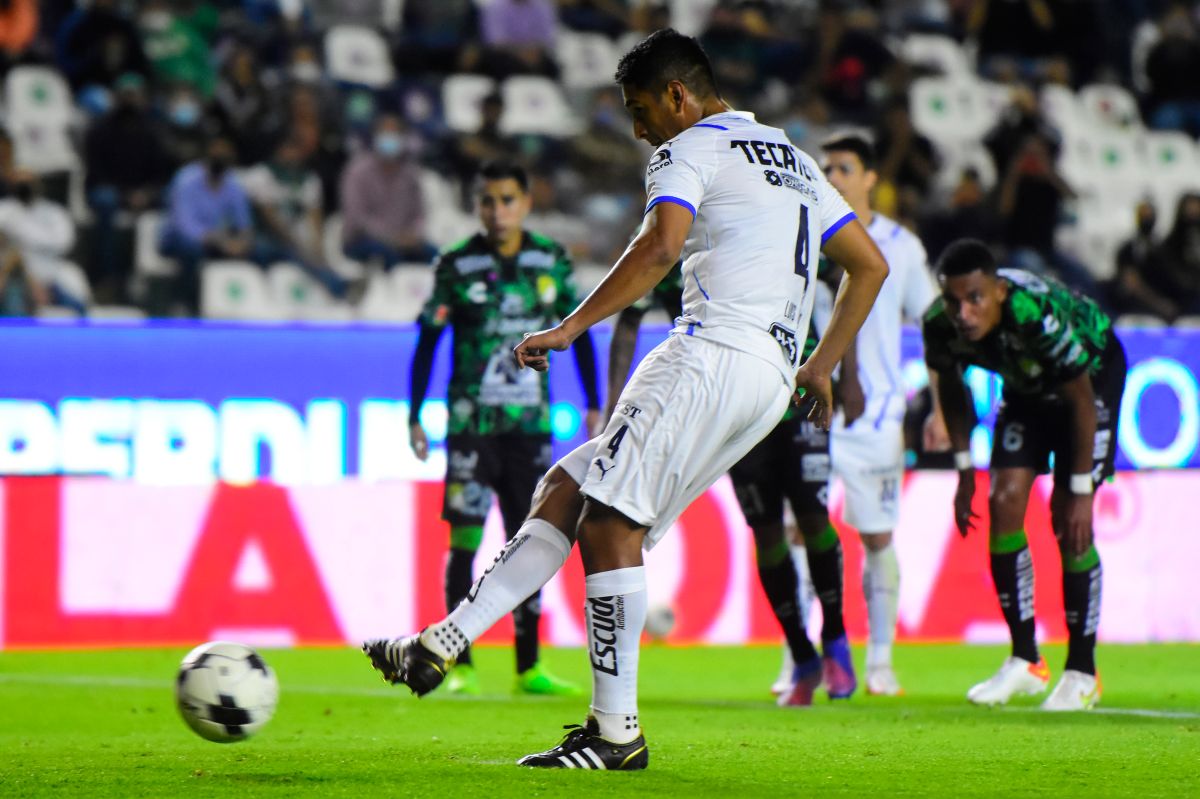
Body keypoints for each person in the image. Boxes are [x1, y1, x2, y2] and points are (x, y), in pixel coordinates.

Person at [364, 29, 888, 769]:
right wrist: (820, 364)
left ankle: (616, 730)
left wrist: (572, 324)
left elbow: (660, 247)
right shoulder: (793, 158)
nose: (639, 131)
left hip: (711, 353)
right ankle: (442, 641)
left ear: (678, 96)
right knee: (568, 487)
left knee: (611, 524)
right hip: (768, 377)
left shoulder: (690, 149)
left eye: (641, 111)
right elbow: (867, 264)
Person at [607, 262, 855, 706]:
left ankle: (835, 637)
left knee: (814, 518)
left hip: (797, 393)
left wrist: (842, 369)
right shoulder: (671, 247)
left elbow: (843, 274)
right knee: (767, 532)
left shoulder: (758, 221)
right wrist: (613, 404)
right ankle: (803, 655)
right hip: (734, 407)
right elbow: (628, 318)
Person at [407, 160, 602, 697]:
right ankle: (458, 662)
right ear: (477, 206)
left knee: (530, 540)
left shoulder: (550, 260)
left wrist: (593, 403)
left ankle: (527, 666)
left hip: (529, 428)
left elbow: (580, 331)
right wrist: (414, 414)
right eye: (488, 201)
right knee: (465, 539)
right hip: (473, 425)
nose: (498, 211)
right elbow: (428, 340)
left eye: (507, 200)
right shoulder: (457, 263)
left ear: (526, 202)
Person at [922, 239, 1125, 711]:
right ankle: (1026, 660)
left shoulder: (1033, 313)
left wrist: (1078, 492)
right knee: (1003, 502)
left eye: (974, 299)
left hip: (1090, 382)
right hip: (1027, 390)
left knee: (1067, 521)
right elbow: (952, 391)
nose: (963, 313)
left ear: (997, 292)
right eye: (953, 301)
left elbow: (1079, 400)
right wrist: (964, 470)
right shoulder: (939, 325)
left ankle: (1082, 671)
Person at [819, 132, 937, 697]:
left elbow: (934, 326)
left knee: (877, 537)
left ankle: (882, 660)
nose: (833, 176)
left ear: (870, 177)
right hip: (811, 411)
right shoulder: (805, 242)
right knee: (800, 533)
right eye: (826, 168)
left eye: (844, 166)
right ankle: (810, 656)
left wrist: (938, 404)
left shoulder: (902, 247)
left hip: (877, 415)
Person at [83, 72, 170, 302]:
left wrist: (146, 193)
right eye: (126, 95)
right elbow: (95, 172)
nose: (130, 101)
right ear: (117, 97)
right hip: (108, 191)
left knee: (169, 201)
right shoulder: (100, 130)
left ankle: (144, 282)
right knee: (106, 201)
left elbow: (161, 172)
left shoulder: (153, 132)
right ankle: (106, 276)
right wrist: (125, 194)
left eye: (135, 95)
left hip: (142, 194)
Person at [242, 138, 353, 301]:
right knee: (297, 253)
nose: (293, 155)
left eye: (297, 151)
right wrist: (297, 243)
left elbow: (314, 215)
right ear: (279, 151)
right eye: (289, 149)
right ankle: (341, 287)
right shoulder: (262, 174)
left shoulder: (308, 179)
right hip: (262, 238)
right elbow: (270, 218)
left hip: (291, 241)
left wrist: (316, 244)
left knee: (308, 254)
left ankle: (341, 288)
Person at [159, 136, 254, 314]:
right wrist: (220, 241)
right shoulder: (186, 179)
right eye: (217, 154)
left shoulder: (233, 183)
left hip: (217, 240)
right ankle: (183, 303)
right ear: (207, 155)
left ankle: (241, 307)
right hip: (176, 239)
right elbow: (184, 225)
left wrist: (242, 242)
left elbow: (244, 223)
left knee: (259, 250)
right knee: (192, 249)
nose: (221, 159)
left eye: (226, 156)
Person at [340, 114, 438, 268]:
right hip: (362, 241)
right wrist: (393, 238)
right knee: (389, 255)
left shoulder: (410, 173)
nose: (389, 138)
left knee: (437, 256)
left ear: (403, 138)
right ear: (375, 136)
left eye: (394, 133)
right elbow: (358, 219)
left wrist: (414, 235)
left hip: (405, 241)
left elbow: (419, 213)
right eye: (385, 133)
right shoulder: (357, 171)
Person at [0, 170, 84, 315]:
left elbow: (64, 243)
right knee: (14, 298)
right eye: (19, 183)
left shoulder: (54, 212)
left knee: (78, 306)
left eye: (27, 183)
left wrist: (22, 232)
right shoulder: (4, 210)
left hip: (49, 276)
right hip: (11, 276)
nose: (24, 187)